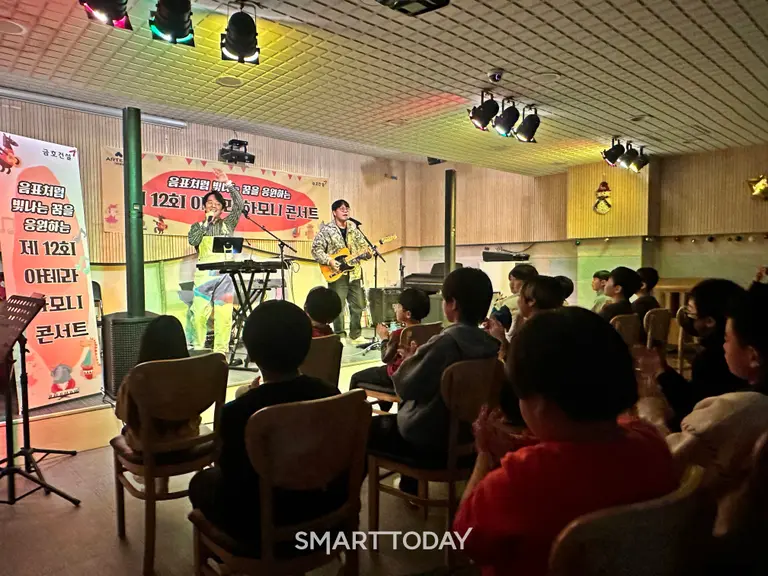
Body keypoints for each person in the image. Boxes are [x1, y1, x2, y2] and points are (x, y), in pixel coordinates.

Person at [454, 307, 678, 576]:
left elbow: (464, 539)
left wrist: (484, 455)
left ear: (539, 404)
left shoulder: (517, 481)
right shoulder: (650, 441)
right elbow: (585, 450)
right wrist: (518, 445)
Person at [188, 300, 344, 541]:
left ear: (251, 353)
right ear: (306, 347)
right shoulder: (331, 394)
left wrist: (251, 396)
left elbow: (231, 474)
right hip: (323, 506)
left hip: (261, 522)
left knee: (201, 482)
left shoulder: (237, 412)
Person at [367, 268, 500, 494]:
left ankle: (402, 487)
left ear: (453, 304)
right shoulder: (491, 345)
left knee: (368, 428)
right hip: (470, 437)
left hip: (431, 441)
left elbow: (405, 388)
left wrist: (409, 361)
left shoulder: (445, 343)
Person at [661, 282, 768, 541]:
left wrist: (652, 417)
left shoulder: (736, 410)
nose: (723, 346)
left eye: (727, 339)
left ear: (753, 356)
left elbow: (666, 464)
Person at [636, 279, 749, 431]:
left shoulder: (715, 358)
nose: (687, 317)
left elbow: (694, 410)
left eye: (690, 312)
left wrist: (654, 409)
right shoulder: (724, 351)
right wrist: (663, 370)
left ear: (710, 321)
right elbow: (696, 392)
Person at [115, 315, 198, 451]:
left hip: (147, 447)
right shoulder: (195, 373)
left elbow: (121, 413)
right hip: (188, 441)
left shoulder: (135, 377)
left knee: (125, 431)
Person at [187, 168, 245, 356]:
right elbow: (193, 241)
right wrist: (206, 223)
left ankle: (220, 354)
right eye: (209, 203)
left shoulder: (228, 224)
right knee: (198, 315)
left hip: (225, 277)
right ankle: (198, 351)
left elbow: (240, 205)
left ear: (222, 208)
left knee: (224, 317)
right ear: (204, 207)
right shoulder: (197, 226)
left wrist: (227, 183)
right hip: (204, 276)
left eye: (217, 203)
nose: (213, 206)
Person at [349, 288, 430, 412]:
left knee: (356, 377)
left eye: (398, 306)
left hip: (396, 377)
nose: (395, 308)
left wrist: (384, 339)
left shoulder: (399, 334)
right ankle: (385, 412)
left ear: (407, 314)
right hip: (417, 376)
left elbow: (385, 358)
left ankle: (352, 414)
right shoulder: (429, 330)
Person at [500, 275, 564, 425]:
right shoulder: (565, 324)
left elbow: (515, 372)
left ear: (531, 301)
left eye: (520, 296)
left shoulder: (530, 332)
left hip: (537, 411)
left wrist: (502, 343)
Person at [310, 199, 371, 343]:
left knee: (358, 304)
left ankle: (356, 335)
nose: (345, 211)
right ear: (334, 212)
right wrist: (330, 261)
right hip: (336, 273)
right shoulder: (327, 230)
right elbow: (316, 249)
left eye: (347, 208)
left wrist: (367, 254)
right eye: (341, 208)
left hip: (354, 272)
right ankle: (340, 335)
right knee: (338, 306)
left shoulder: (354, 229)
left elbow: (363, 247)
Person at [505, 264, 539, 339]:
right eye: (510, 280)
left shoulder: (511, 302)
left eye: (515, 279)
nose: (511, 283)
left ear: (527, 281)